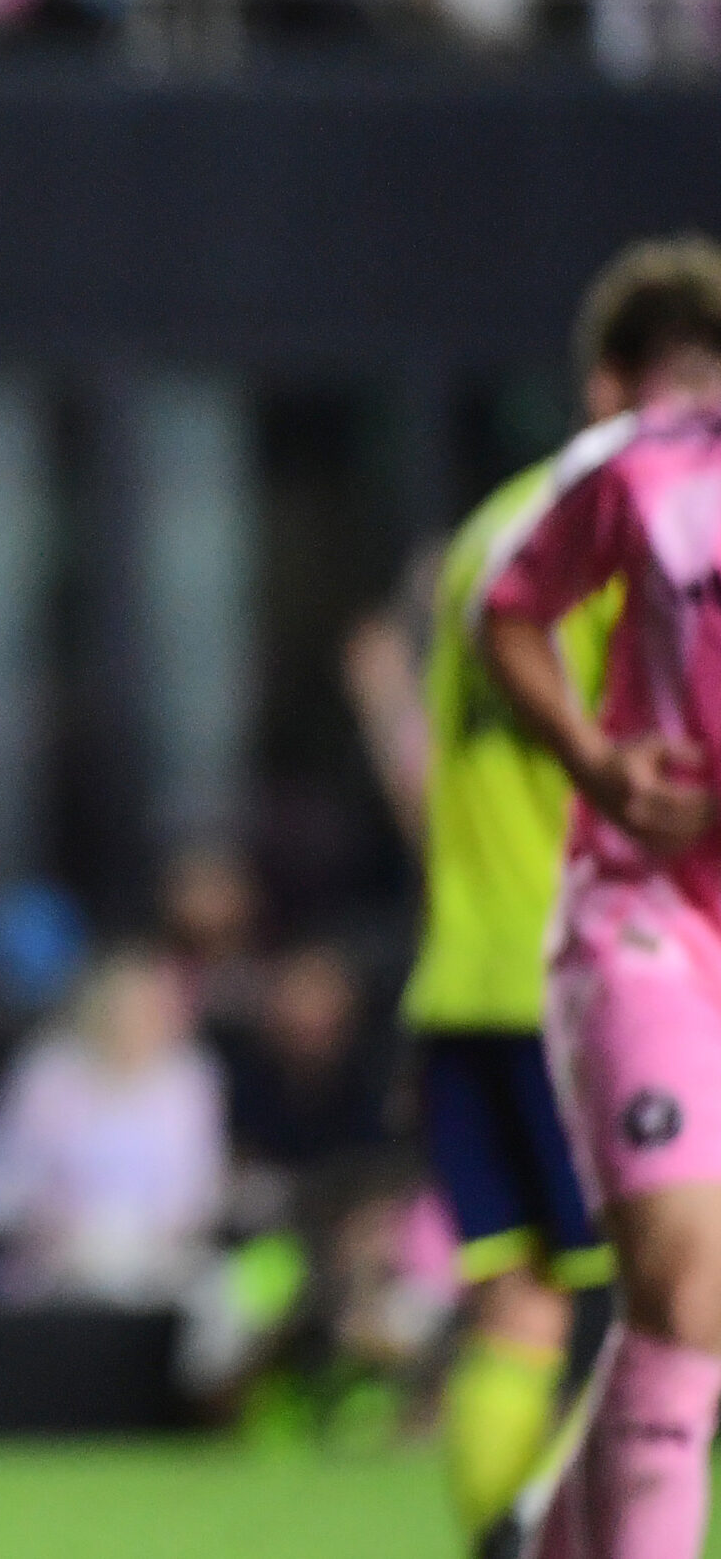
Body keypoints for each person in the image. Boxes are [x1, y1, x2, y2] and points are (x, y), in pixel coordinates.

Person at [350, 277, 629, 1543]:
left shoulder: (483, 537)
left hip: (461, 978)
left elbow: (435, 790)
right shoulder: (639, 537)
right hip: (583, 975)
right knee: (664, 1302)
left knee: (518, 1303)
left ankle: (497, 1540)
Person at [473, 233, 721, 1559]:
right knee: (687, 1288)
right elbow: (504, 610)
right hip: (642, 921)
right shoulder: (644, 473)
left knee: (679, 1311)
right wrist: (596, 758)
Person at [0, 949, 228, 1306]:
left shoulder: (190, 1079)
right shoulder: (47, 1073)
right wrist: (52, 1227)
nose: (134, 1021)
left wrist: (136, 1240)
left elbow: (200, 1191)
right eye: (124, 1006)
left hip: (156, 1272)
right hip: (51, 1272)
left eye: (149, 1008)